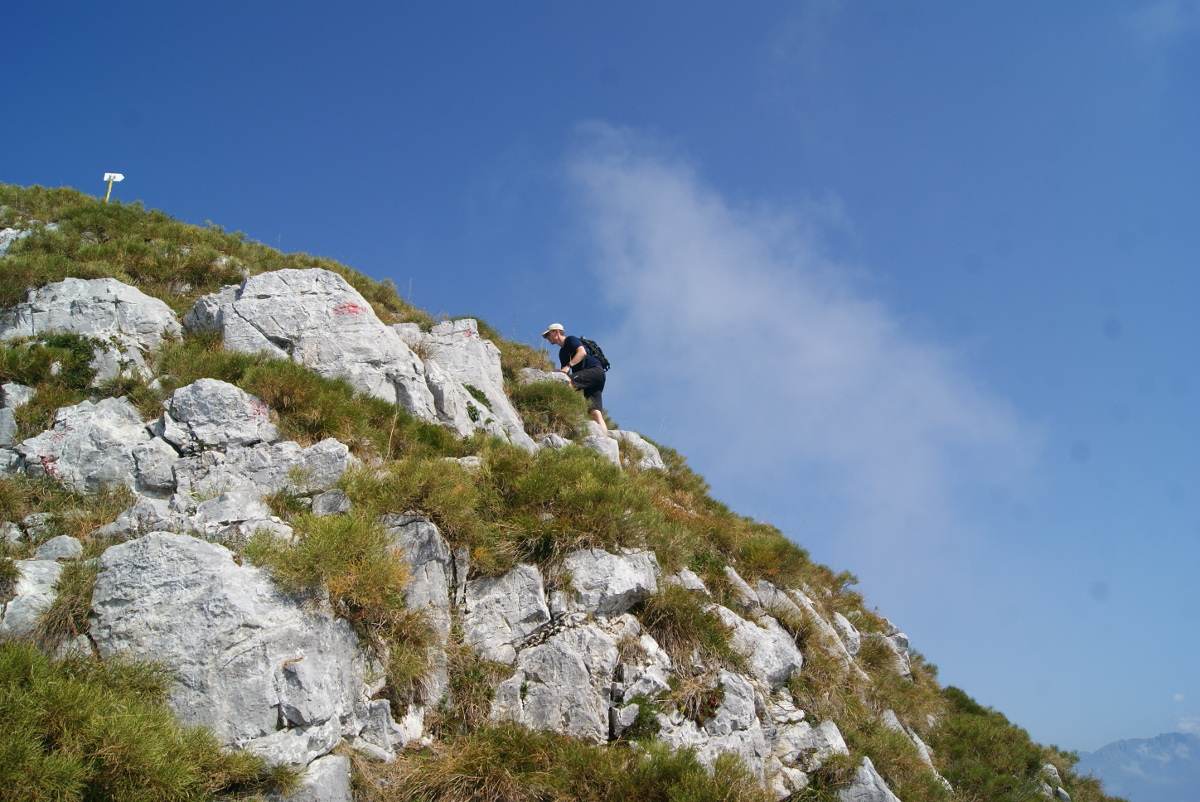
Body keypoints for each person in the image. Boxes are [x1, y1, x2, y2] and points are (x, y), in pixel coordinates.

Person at [542, 323, 607, 432]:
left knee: (568, 383)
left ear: (557, 332)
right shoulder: (562, 353)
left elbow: (582, 352)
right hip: (596, 377)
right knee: (594, 412)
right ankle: (605, 441)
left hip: (594, 370)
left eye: (549, 334)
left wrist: (568, 365)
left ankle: (571, 412)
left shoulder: (571, 340)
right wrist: (551, 370)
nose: (547, 338)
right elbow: (564, 374)